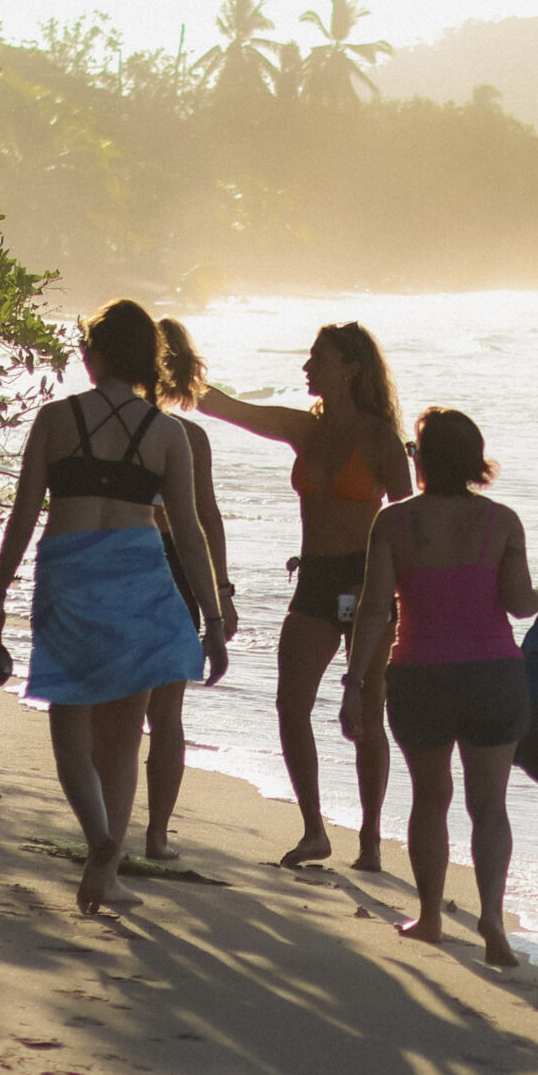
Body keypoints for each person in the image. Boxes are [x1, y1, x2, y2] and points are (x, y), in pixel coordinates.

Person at [0, 301, 227, 915]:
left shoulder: (56, 419)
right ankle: (107, 871)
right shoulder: (168, 432)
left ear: (95, 355)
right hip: (141, 577)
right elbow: (190, 533)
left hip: (70, 571)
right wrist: (215, 618)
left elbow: (22, 516)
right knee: (123, 738)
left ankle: (99, 840)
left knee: (71, 726)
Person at [344, 408, 538, 968]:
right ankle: (491, 915)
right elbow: (520, 604)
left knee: (431, 797)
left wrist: (355, 683)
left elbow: (375, 609)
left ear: (421, 459)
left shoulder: (393, 522)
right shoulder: (501, 522)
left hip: (419, 676)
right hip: (493, 677)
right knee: (489, 804)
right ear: (476, 461)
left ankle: (429, 918)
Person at [199, 323, 413, 869]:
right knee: (291, 704)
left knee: (368, 712)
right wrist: (174, 357)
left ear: (351, 368)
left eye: (318, 358)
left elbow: (410, 524)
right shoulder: (304, 430)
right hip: (316, 578)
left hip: (366, 583)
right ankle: (315, 829)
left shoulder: (382, 439)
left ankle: (369, 840)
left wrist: (393, 591)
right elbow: (223, 407)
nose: (307, 368)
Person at [140, 317, 240, 861]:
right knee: (166, 715)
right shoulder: (189, 436)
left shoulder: (109, 427)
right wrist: (220, 597)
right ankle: (156, 835)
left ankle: (109, 826)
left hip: (125, 567)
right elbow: (205, 520)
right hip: (177, 572)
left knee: (121, 710)